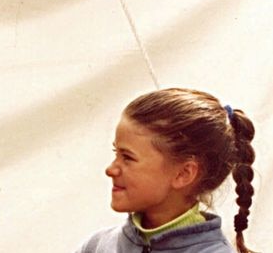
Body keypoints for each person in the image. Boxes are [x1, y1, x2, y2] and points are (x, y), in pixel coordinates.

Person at [75, 88, 256, 253]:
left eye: (128, 157)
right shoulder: (97, 245)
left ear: (183, 174)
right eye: (116, 153)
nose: (111, 170)